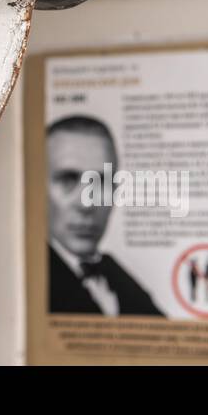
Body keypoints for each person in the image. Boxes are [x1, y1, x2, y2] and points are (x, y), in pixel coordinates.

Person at [46, 114, 163, 316]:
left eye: (101, 182)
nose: (86, 203)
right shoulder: (20, 280)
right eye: (68, 180)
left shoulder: (123, 281)